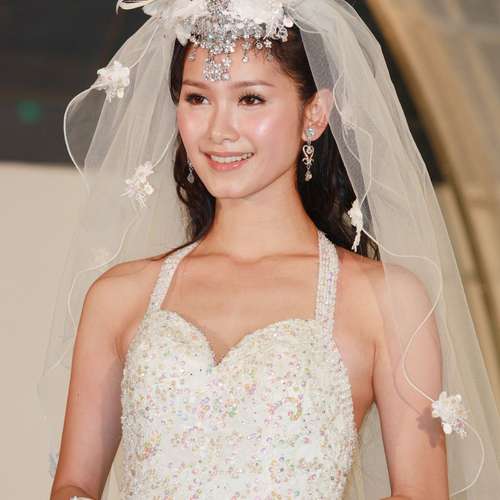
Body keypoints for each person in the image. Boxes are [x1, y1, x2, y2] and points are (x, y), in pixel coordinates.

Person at [39, 1, 500, 499]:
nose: (219, 131)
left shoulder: (385, 300)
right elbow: (74, 485)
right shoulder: (119, 296)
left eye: (251, 99)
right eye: (198, 98)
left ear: (314, 114)